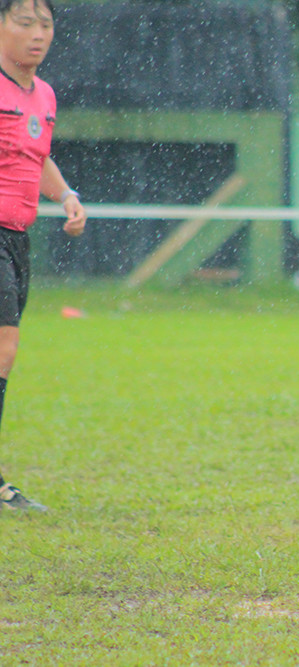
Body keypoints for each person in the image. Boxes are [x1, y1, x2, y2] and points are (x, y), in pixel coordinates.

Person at [0, 0, 86, 512]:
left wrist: (66, 195)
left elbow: (37, 156)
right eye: (24, 22)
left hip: (16, 237)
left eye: (46, 24)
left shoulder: (45, 95)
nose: (38, 33)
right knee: (3, 345)